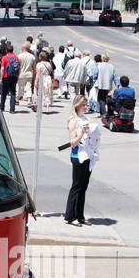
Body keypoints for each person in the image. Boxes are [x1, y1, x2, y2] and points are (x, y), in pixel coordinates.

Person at [64, 96, 93, 226]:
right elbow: (73, 143)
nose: (85, 107)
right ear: (77, 106)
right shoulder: (73, 121)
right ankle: (70, 215)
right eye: (83, 105)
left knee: (83, 186)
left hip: (87, 155)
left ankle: (80, 215)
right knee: (76, 186)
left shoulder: (85, 119)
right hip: (77, 156)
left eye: (86, 105)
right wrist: (82, 133)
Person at [0, 45, 20, 113]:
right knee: (13, 92)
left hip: (6, 76)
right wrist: (18, 76)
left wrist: (1, 78)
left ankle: (2, 107)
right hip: (14, 77)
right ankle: (12, 109)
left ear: (6, 50)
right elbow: (19, 67)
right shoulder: (16, 57)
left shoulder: (4, 58)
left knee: (4, 92)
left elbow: (2, 68)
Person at [15, 41, 35, 107]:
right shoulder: (32, 57)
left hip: (21, 74)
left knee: (20, 87)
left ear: (23, 48)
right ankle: (29, 100)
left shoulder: (19, 56)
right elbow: (33, 66)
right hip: (29, 73)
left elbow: (17, 66)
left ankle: (17, 99)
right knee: (28, 87)